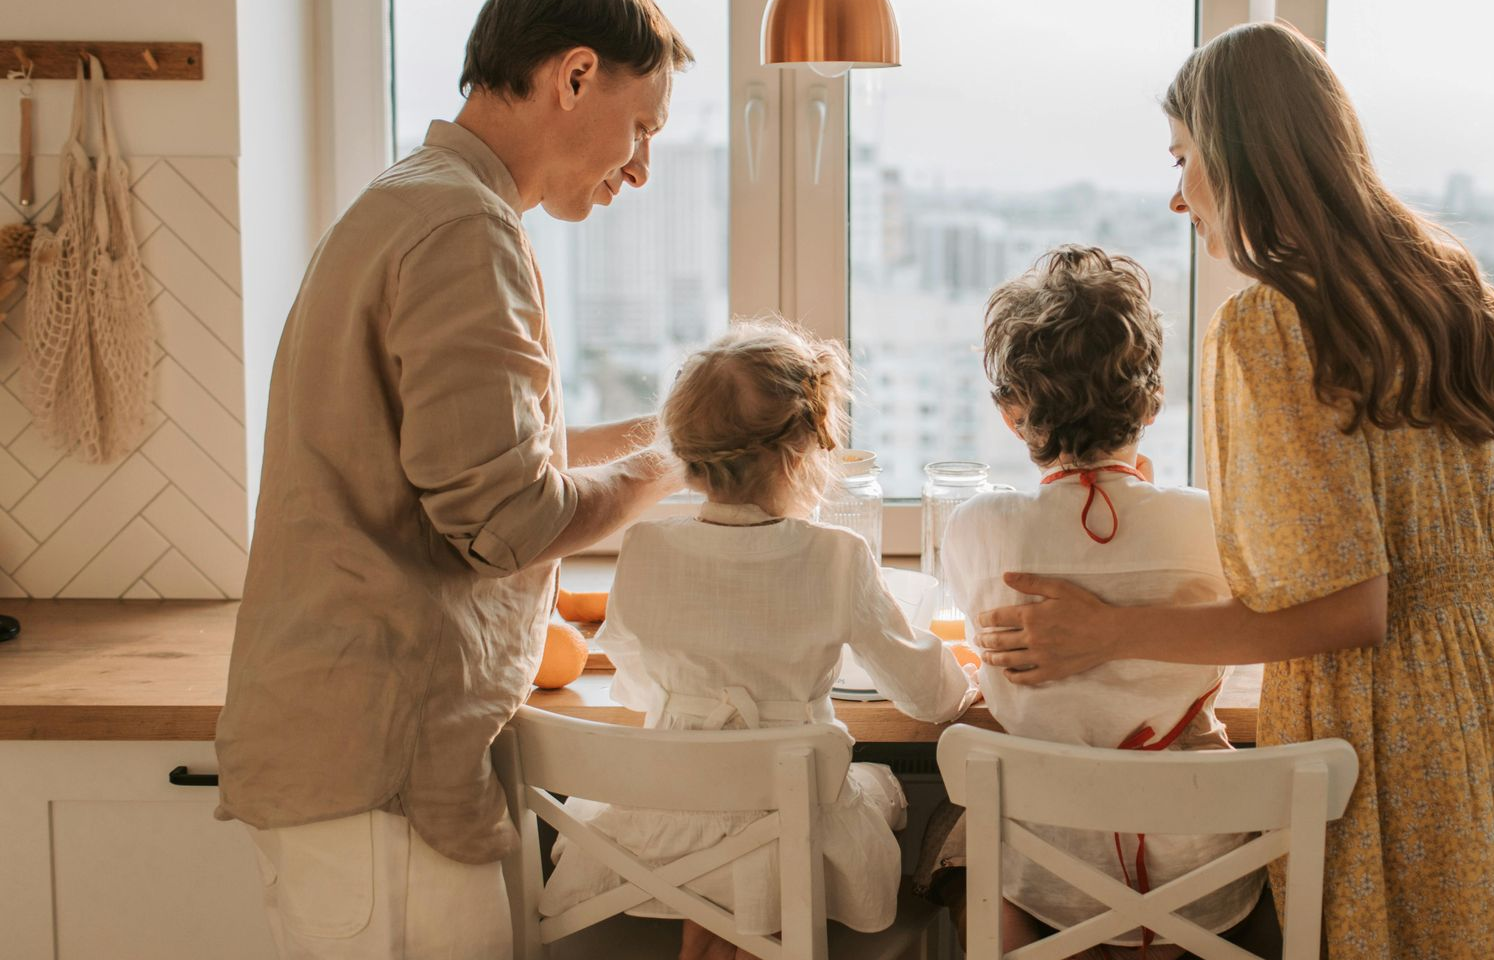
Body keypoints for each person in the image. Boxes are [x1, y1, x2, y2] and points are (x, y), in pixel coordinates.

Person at [973, 21, 1494, 960]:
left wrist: (1107, 629)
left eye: (1185, 161)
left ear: (1239, 159)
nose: (1179, 197)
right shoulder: (1467, 298)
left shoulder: (1271, 326)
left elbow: (1349, 609)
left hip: (1388, 734)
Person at [214, 2, 692, 956]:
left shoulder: (422, 200)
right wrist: (673, 464)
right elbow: (509, 520)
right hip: (378, 758)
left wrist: (672, 429)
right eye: (642, 127)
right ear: (576, 75)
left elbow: (494, 456)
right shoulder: (462, 229)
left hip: (362, 749)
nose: (640, 167)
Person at [541, 321, 977, 960]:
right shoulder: (836, 556)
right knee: (854, 800)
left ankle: (714, 937)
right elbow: (928, 698)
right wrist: (960, 673)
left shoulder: (644, 547)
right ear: (804, 452)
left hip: (657, 843)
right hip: (793, 841)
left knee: (727, 822)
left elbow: (634, 682)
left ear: (685, 455)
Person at [934, 245, 1260, 958]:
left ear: (1012, 412)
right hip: (1200, 876)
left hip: (1053, 872)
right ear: (1151, 401)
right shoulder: (1208, 520)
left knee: (951, 841)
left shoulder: (979, 528)